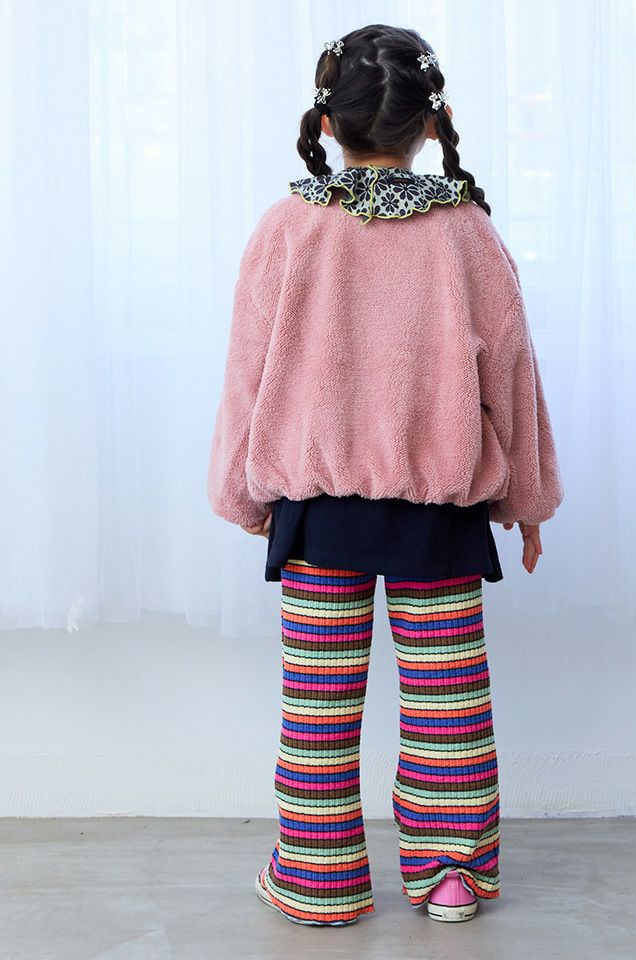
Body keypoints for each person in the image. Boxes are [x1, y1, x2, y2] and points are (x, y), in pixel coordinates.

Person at [206, 23, 564, 927]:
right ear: (431, 123)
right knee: (448, 706)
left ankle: (318, 877)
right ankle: (450, 875)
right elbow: (511, 375)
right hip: (438, 515)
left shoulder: (286, 229)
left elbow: (248, 372)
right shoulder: (468, 233)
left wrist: (242, 492)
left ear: (328, 123)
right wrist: (526, 501)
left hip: (317, 512)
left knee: (317, 708)